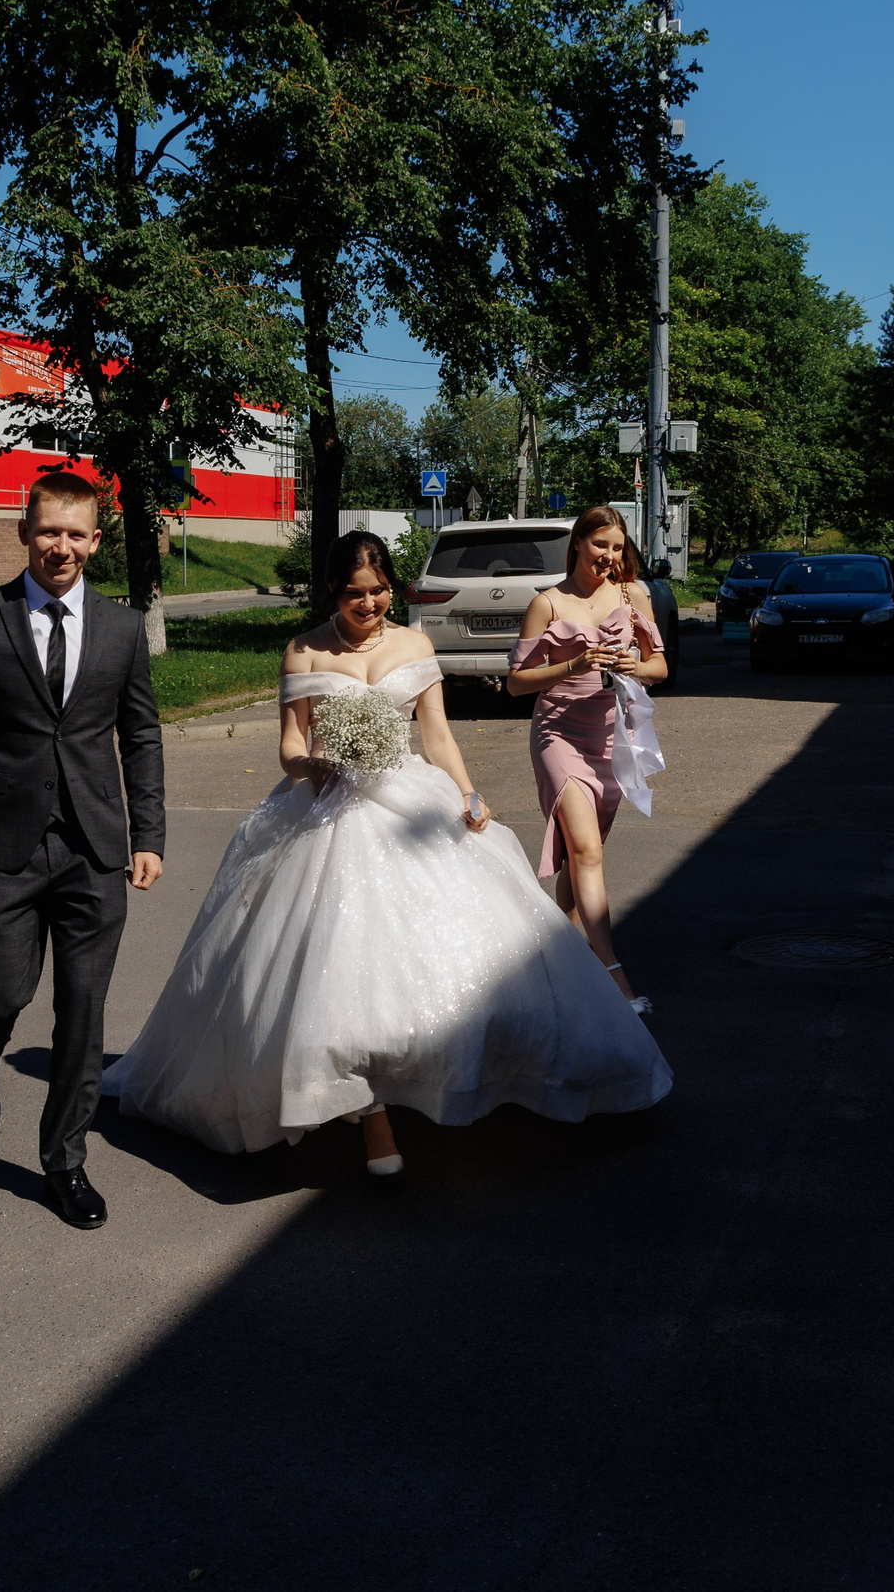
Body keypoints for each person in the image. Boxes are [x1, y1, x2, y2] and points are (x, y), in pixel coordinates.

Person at [103, 530, 670, 1178]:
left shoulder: (414, 645)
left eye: (377, 592)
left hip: (412, 803)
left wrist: (467, 794)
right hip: (329, 805)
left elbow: (437, 737)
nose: (367, 605)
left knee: (458, 957)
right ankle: (371, 1114)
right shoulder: (302, 650)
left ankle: (464, 1075)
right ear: (333, 594)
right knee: (337, 967)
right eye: (353, 595)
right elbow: (289, 746)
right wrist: (320, 762)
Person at [0, 471, 165, 1230]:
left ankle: (65, 1162)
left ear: (95, 540)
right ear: (25, 532)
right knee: (1, 993)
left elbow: (141, 733)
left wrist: (148, 834)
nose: (62, 546)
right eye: (48, 530)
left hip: (93, 845)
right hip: (1, 844)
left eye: (76, 533)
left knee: (83, 1013)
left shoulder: (122, 629)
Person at [504, 505, 668, 1013]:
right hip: (558, 734)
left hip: (612, 737)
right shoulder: (547, 604)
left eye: (618, 547)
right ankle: (612, 978)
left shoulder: (631, 596)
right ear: (577, 543)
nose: (610, 556)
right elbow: (514, 682)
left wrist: (635, 666)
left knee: (581, 862)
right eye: (600, 545)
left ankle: (564, 952)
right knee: (586, 850)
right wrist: (572, 664)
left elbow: (660, 667)